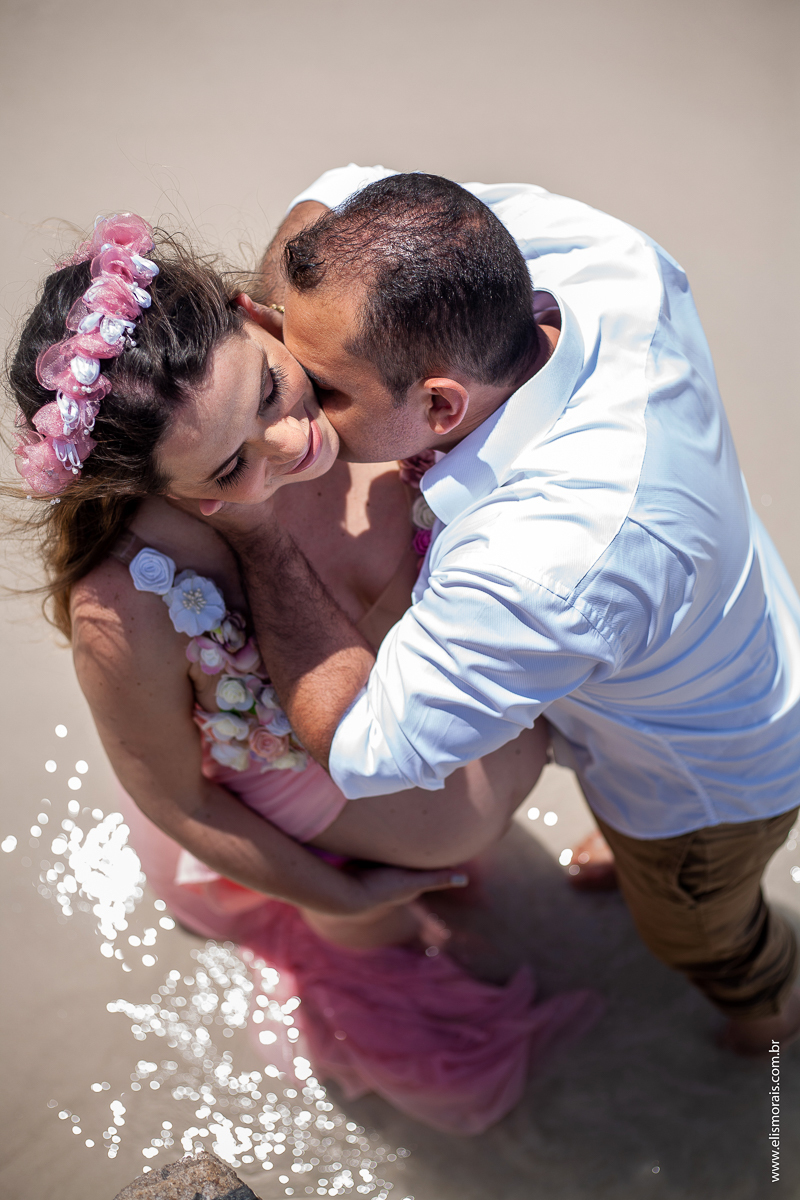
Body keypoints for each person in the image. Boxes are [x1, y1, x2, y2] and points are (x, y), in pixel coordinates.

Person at [4, 213, 601, 1134]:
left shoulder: (357, 374)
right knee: (454, 1075)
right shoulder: (126, 606)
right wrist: (342, 896)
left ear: (262, 318)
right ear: (158, 489)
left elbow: (328, 219)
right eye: (231, 463)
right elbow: (179, 803)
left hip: (435, 796)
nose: (293, 445)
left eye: (272, 392)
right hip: (340, 870)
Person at [205, 166, 800, 1055]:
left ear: (442, 403)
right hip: (733, 621)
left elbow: (367, 745)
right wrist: (274, 317)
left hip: (706, 782)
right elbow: (338, 196)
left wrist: (259, 535)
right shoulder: (604, 262)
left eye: (323, 390)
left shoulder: (546, 562)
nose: (295, 410)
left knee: (700, 931)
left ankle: (769, 1031)